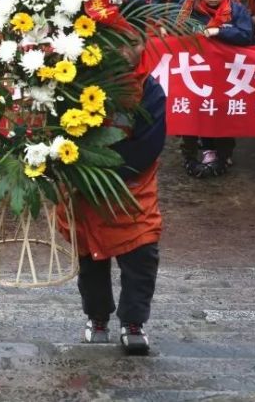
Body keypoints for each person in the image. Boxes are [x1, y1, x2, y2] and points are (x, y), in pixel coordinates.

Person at [70, 36, 164, 355]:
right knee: (91, 257)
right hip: (85, 189)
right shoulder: (75, 83)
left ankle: (133, 323)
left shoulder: (149, 91)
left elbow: (148, 146)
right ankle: (97, 318)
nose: (124, 51)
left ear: (144, 45)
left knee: (141, 257)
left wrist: (108, 175)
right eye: (116, 42)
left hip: (132, 190)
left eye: (133, 43)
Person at [179, 0, 254, 177]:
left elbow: (246, 35)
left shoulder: (237, 10)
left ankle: (223, 155)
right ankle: (190, 155)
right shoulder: (190, 6)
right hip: (195, 73)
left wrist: (218, 31)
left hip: (226, 74)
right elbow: (175, 28)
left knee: (222, 113)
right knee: (192, 113)